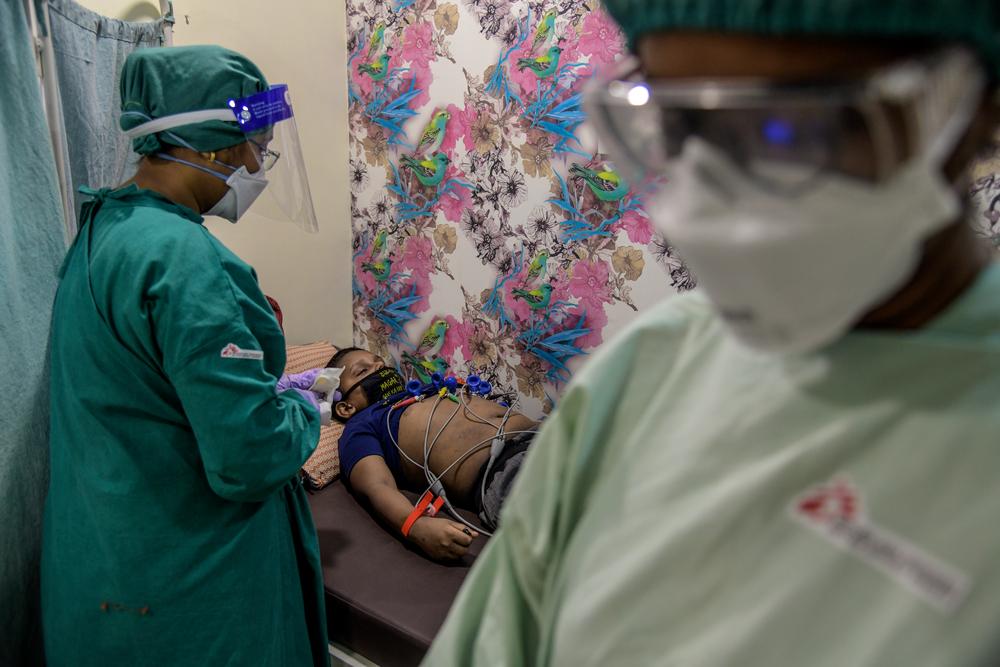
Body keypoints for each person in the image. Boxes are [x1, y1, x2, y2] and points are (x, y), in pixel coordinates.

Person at [424, 2, 1000, 665]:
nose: (710, 198)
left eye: (792, 129)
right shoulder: (647, 370)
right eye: (680, 123)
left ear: (971, 105)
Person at [43, 46, 328, 666]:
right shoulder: (186, 261)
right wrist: (306, 410)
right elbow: (248, 459)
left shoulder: (105, 227)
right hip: (191, 589)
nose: (259, 163)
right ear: (217, 149)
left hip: (106, 563)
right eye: (255, 147)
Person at [328, 347, 540, 560]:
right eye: (363, 371)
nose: (379, 367)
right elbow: (377, 485)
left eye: (379, 362)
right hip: (506, 469)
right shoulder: (363, 425)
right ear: (345, 408)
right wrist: (416, 526)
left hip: (542, 434)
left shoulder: (426, 391)